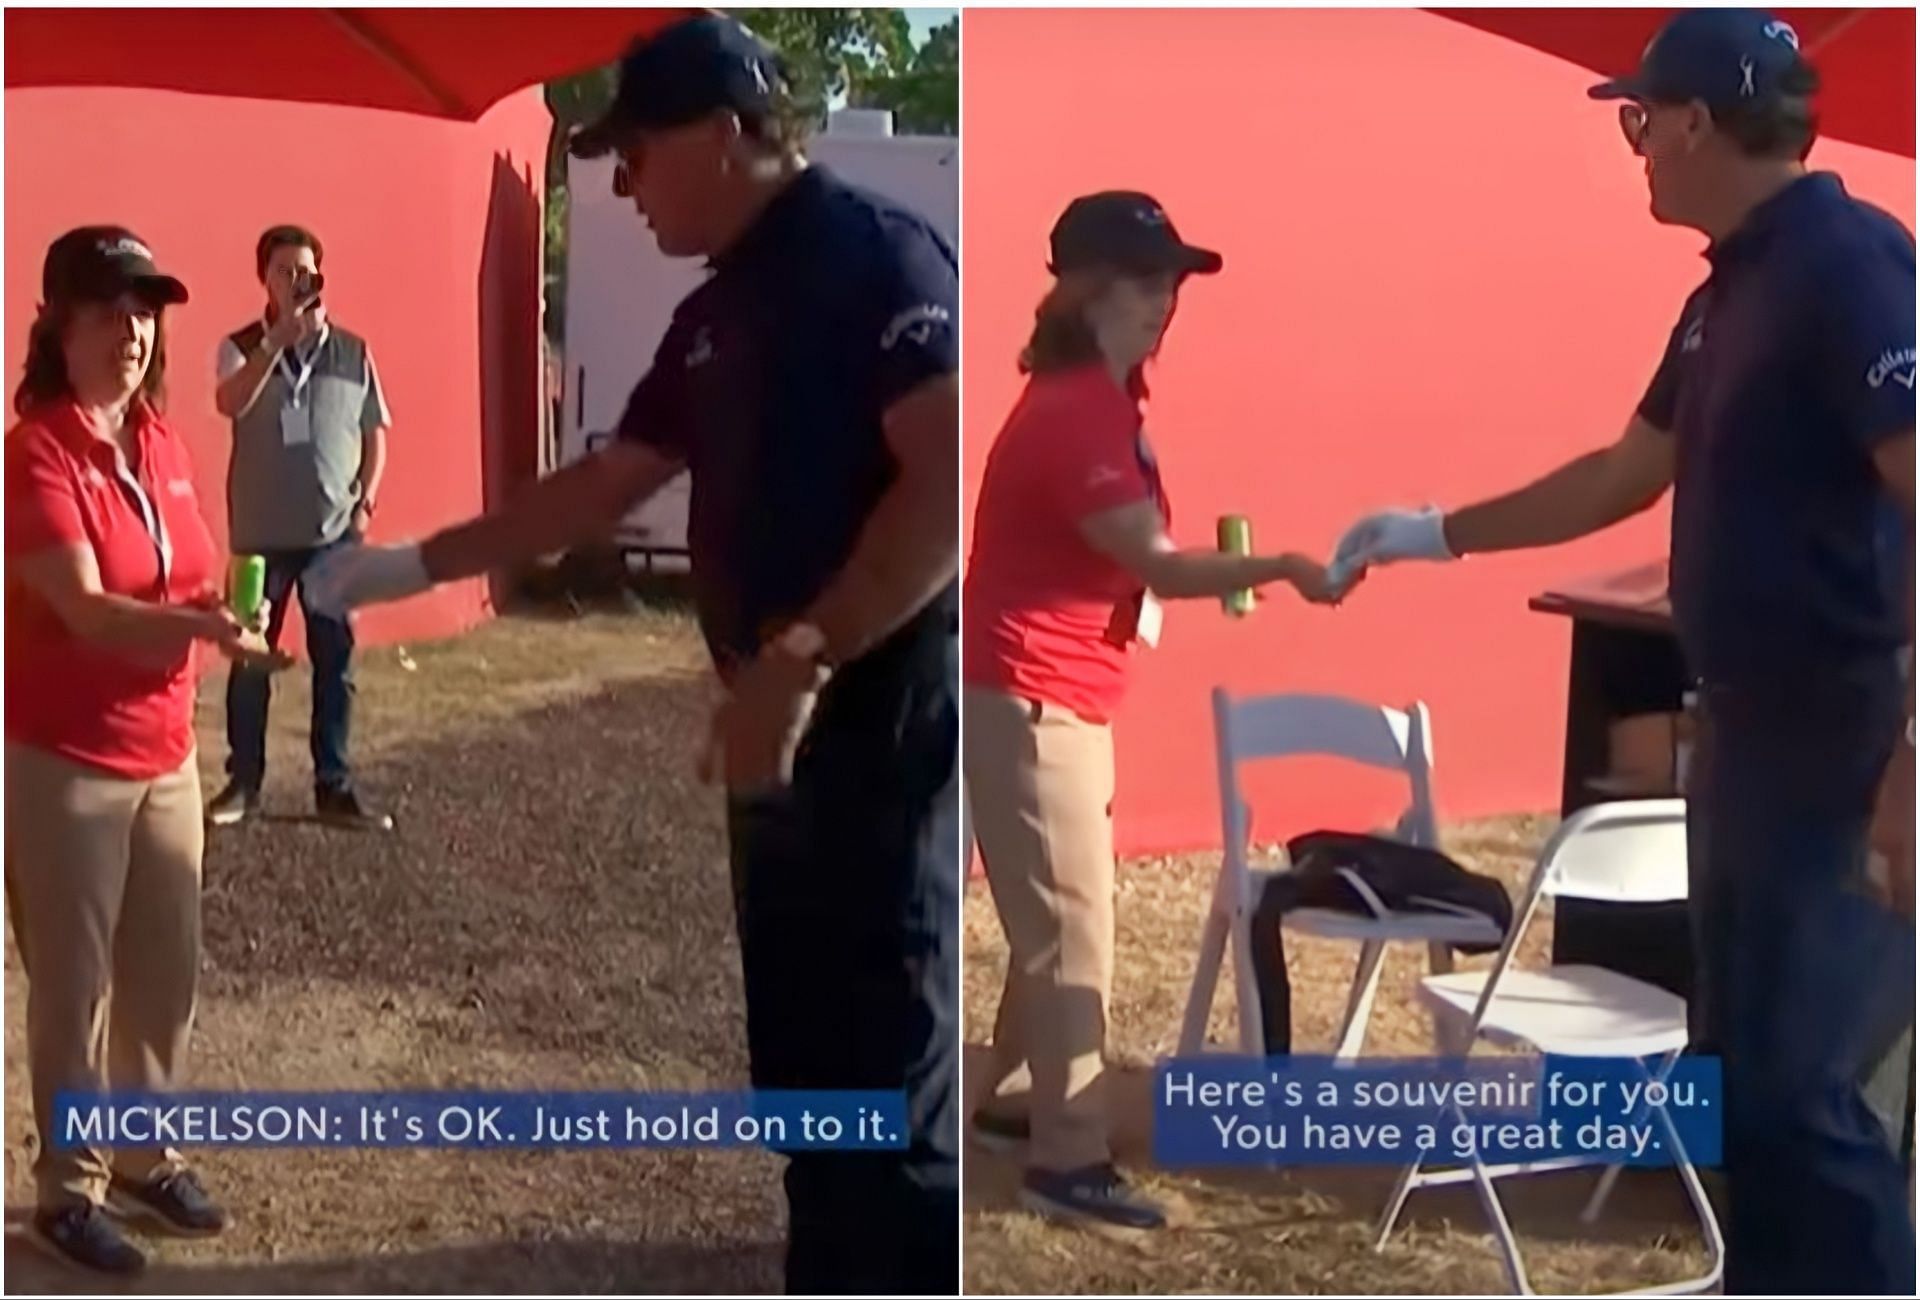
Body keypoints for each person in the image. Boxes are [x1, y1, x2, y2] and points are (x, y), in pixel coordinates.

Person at [304, 16, 960, 1294]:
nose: (618, 183)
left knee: (887, 1065)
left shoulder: (876, 258)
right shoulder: (718, 311)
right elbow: (603, 486)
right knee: (802, 1054)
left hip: (872, 724)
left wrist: (803, 655)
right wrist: (412, 564)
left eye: (634, 153)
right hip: (773, 727)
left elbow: (939, 491)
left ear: (722, 136)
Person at [1329, 10, 1914, 1293]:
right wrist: (1430, 532)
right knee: (1742, 1086)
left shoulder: (1851, 264)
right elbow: (1622, 471)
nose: (1635, 147)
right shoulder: (1726, 294)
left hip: (1849, 745)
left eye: (1643, 121)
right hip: (1753, 747)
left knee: (1816, 1098)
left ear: (1701, 123)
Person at [963, 192, 1344, 1231]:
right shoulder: (1080, 408)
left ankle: (1007, 1103)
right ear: (1083, 290)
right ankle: (1067, 1160)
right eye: (1144, 280)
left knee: (1057, 918)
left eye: (1173, 280)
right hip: (1035, 700)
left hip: (1058, 695)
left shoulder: (1099, 396)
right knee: (1071, 932)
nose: (1166, 299)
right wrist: (1283, 564)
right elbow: (1157, 563)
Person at [5, 227, 276, 1274]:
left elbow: (176, 578)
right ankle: (64, 1191)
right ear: (60, 324)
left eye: (148, 310)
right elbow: (81, 608)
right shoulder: (38, 449)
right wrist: (203, 632)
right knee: (74, 983)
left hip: (165, 750)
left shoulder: (160, 440)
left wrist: (217, 613)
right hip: (66, 758)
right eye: (112, 309)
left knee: (165, 971)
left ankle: (141, 1152)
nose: (135, 329)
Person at [204, 224, 392, 829]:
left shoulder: (353, 351)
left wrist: (366, 500)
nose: (295, 281)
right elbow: (229, 402)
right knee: (250, 658)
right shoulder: (240, 345)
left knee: (335, 659)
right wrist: (275, 341)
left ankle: (333, 786)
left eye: (304, 271)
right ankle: (243, 782)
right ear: (264, 278)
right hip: (260, 536)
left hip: (333, 535)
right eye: (283, 271)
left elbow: (374, 432)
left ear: (320, 276)